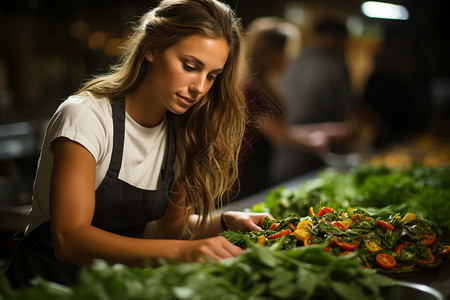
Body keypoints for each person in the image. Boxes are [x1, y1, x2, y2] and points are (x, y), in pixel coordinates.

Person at [5, 0, 273, 288]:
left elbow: (172, 226)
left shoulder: (183, 129)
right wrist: (183, 253)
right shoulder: (86, 116)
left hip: (114, 287)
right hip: (44, 287)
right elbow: (69, 240)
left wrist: (225, 222)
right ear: (152, 49)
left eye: (211, 76)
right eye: (190, 66)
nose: (200, 88)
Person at [236, 17, 350, 198]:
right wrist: (314, 141)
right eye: (286, 52)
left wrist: (325, 130)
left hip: (259, 167)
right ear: (270, 53)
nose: (290, 58)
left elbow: (280, 129)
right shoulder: (250, 89)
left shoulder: (262, 85)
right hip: (245, 174)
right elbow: (280, 135)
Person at [270, 17, 356, 183]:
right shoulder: (336, 65)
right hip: (316, 149)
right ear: (337, 38)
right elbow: (347, 114)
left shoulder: (292, 60)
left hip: (283, 153)